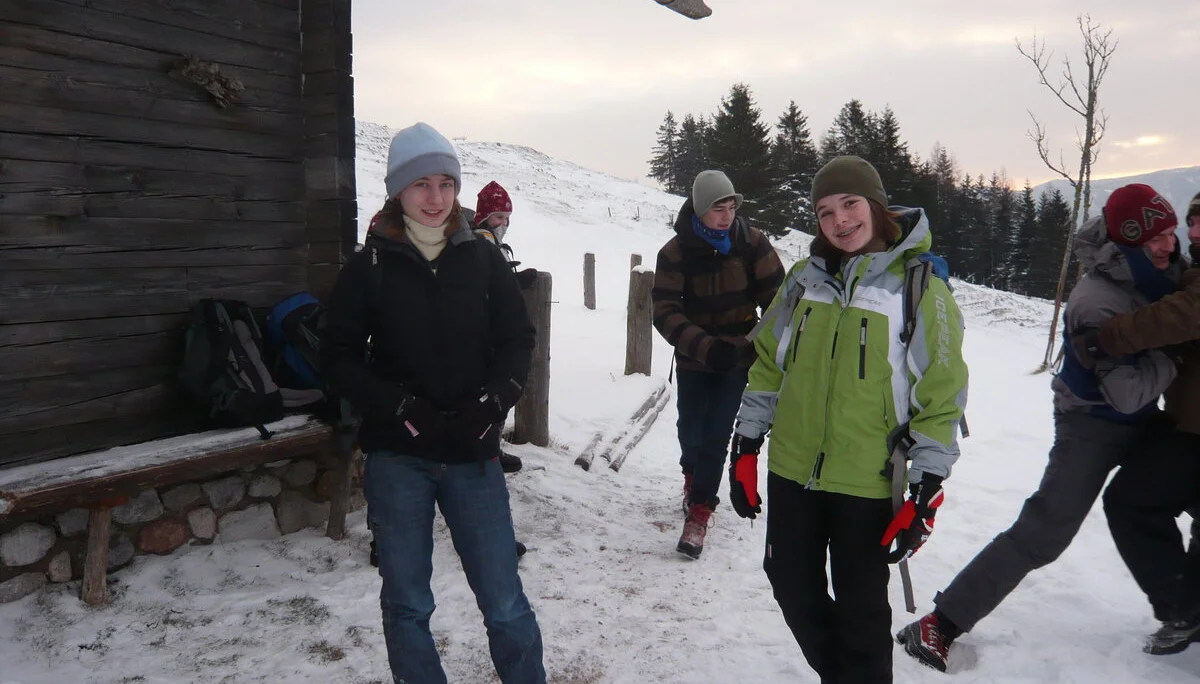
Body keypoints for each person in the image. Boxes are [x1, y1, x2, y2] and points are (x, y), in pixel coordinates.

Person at [897, 183, 1182, 673]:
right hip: (1091, 424)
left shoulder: (1159, 275)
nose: (1170, 245)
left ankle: (1187, 610)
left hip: (1140, 419)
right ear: (1130, 240)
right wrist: (1176, 352)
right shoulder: (1097, 299)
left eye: (1173, 233)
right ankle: (940, 624)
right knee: (1045, 531)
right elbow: (1126, 392)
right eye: (1158, 237)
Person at [728, 155, 968, 684]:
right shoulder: (801, 282)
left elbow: (943, 393)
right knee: (789, 581)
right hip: (793, 470)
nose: (839, 220)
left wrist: (926, 490)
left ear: (876, 205)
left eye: (850, 203)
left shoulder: (920, 289)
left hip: (868, 480)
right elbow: (769, 364)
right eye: (825, 211)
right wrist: (745, 446)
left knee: (861, 611)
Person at [321, 122, 545, 684]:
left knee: (505, 601)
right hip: (399, 458)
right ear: (398, 189)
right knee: (407, 604)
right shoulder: (370, 265)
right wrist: (396, 407)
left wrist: (494, 402)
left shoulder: (483, 259)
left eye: (446, 183)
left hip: (473, 454)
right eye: (421, 184)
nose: (435, 198)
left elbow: (518, 341)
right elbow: (337, 357)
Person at [1079, 189, 1200, 655]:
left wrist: (1106, 338)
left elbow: (1184, 314)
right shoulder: (1186, 274)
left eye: (1193, 226)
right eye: (1187, 224)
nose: (1188, 236)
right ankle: (1183, 609)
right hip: (1189, 429)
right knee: (1131, 500)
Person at [651, 169, 785, 559]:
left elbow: (778, 301)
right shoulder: (675, 252)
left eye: (731, 207)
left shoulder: (751, 243)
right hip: (695, 359)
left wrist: (754, 342)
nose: (726, 216)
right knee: (690, 429)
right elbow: (664, 311)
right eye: (717, 208)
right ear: (698, 209)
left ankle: (701, 509)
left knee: (716, 433)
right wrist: (706, 347)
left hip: (738, 359)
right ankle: (692, 478)